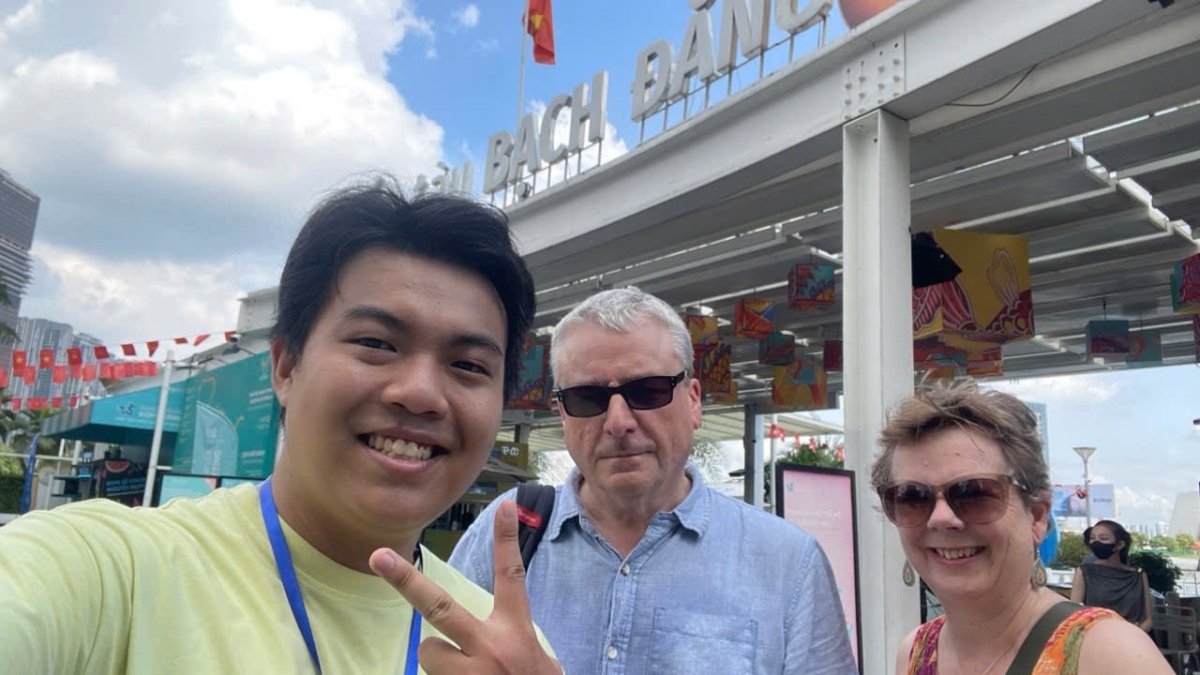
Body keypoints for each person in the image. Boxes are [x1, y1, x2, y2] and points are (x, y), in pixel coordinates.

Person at [0, 178, 560, 674]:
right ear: (286, 366)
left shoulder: (508, 651)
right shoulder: (107, 573)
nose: (420, 393)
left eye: (468, 365)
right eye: (375, 343)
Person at [450, 287, 858, 675]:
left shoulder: (787, 562)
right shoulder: (505, 534)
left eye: (648, 391)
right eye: (587, 399)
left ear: (694, 401)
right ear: (563, 415)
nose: (618, 423)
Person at [872, 381, 1170, 674]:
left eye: (974, 493)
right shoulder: (915, 651)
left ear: (1038, 516)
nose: (940, 518)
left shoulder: (1108, 654)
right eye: (911, 496)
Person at [1071, 519, 1154, 632]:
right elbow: (1075, 615)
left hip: (1133, 640)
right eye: (1092, 538)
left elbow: (1148, 619)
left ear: (1120, 544)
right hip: (1096, 638)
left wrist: (1135, 634)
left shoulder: (1138, 575)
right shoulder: (1084, 572)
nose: (1096, 542)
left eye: (1103, 538)